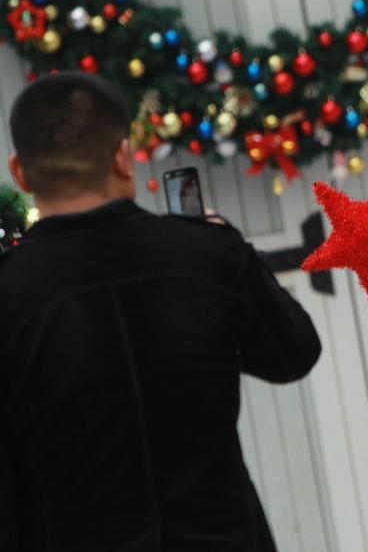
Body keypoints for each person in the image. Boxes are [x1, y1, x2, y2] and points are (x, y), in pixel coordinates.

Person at [0, 72, 322, 551]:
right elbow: (292, 354)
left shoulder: (10, 291)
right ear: (123, 157)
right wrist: (231, 248)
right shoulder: (206, 254)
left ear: (20, 173)